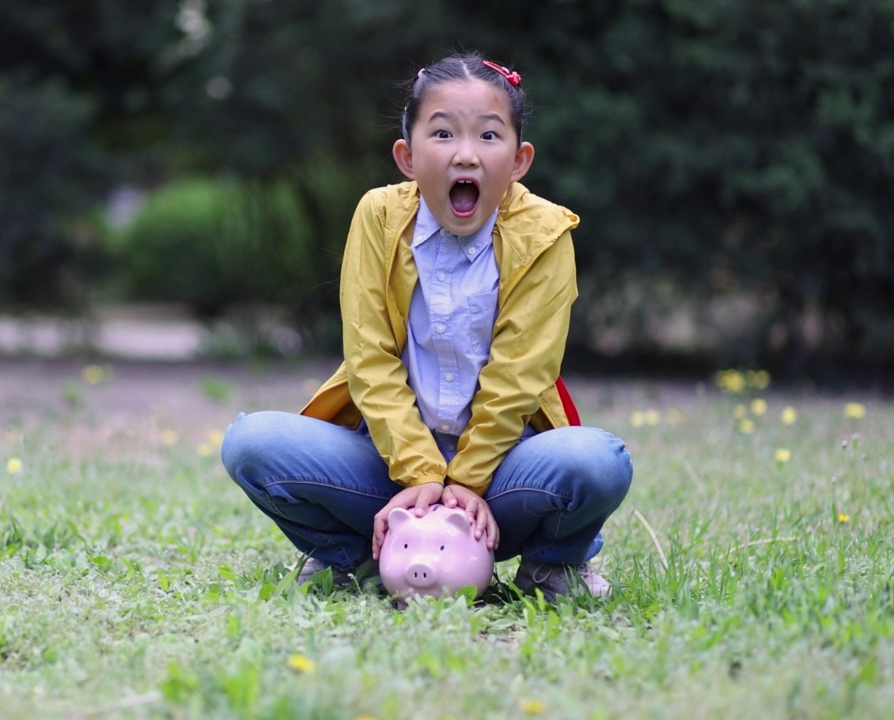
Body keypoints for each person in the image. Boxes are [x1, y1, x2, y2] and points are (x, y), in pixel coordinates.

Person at [220, 52, 632, 601]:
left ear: (519, 160)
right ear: (407, 156)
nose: (466, 154)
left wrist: (462, 484)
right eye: (442, 134)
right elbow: (369, 358)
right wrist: (419, 477)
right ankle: (357, 560)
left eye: (489, 136)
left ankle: (552, 566)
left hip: (504, 474)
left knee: (597, 461)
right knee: (252, 444)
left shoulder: (546, 234)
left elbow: (522, 372)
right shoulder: (378, 216)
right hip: (387, 466)